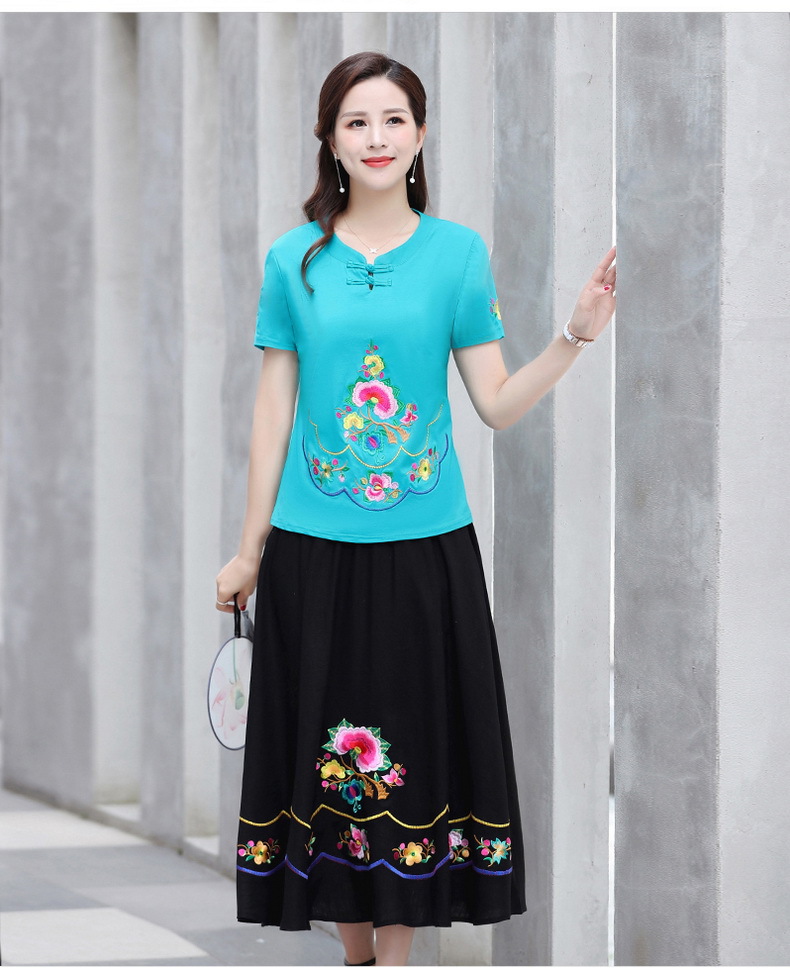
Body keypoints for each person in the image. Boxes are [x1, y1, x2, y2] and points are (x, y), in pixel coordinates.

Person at [215, 50, 616, 968]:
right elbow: (272, 415)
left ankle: (389, 959)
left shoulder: (456, 254)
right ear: (330, 140)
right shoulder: (293, 260)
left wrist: (573, 336)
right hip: (311, 551)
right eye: (356, 121)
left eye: (393, 119)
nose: (377, 137)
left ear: (421, 134)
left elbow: (496, 403)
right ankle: (359, 954)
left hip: (425, 552)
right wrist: (248, 550)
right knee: (326, 764)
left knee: (412, 754)